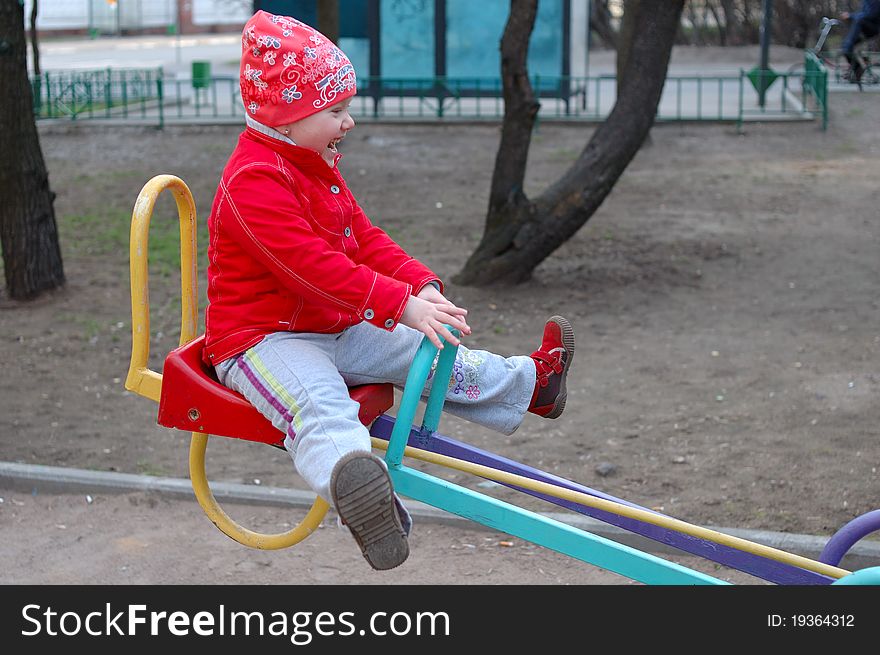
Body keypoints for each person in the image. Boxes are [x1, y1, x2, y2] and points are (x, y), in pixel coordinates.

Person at [204, 10, 576, 571]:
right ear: (286, 116)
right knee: (317, 406)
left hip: (329, 324)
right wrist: (398, 304)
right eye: (334, 110)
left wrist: (419, 285)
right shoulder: (252, 181)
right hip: (262, 340)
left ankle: (532, 387)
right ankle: (363, 495)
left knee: (427, 352)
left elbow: (364, 239)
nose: (348, 121)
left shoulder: (311, 163)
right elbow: (312, 268)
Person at [841, 0, 880, 80]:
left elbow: (870, 15)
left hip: (872, 28)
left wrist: (850, 16)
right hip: (863, 28)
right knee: (846, 48)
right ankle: (858, 68)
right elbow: (862, 13)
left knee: (859, 20)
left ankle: (860, 64)